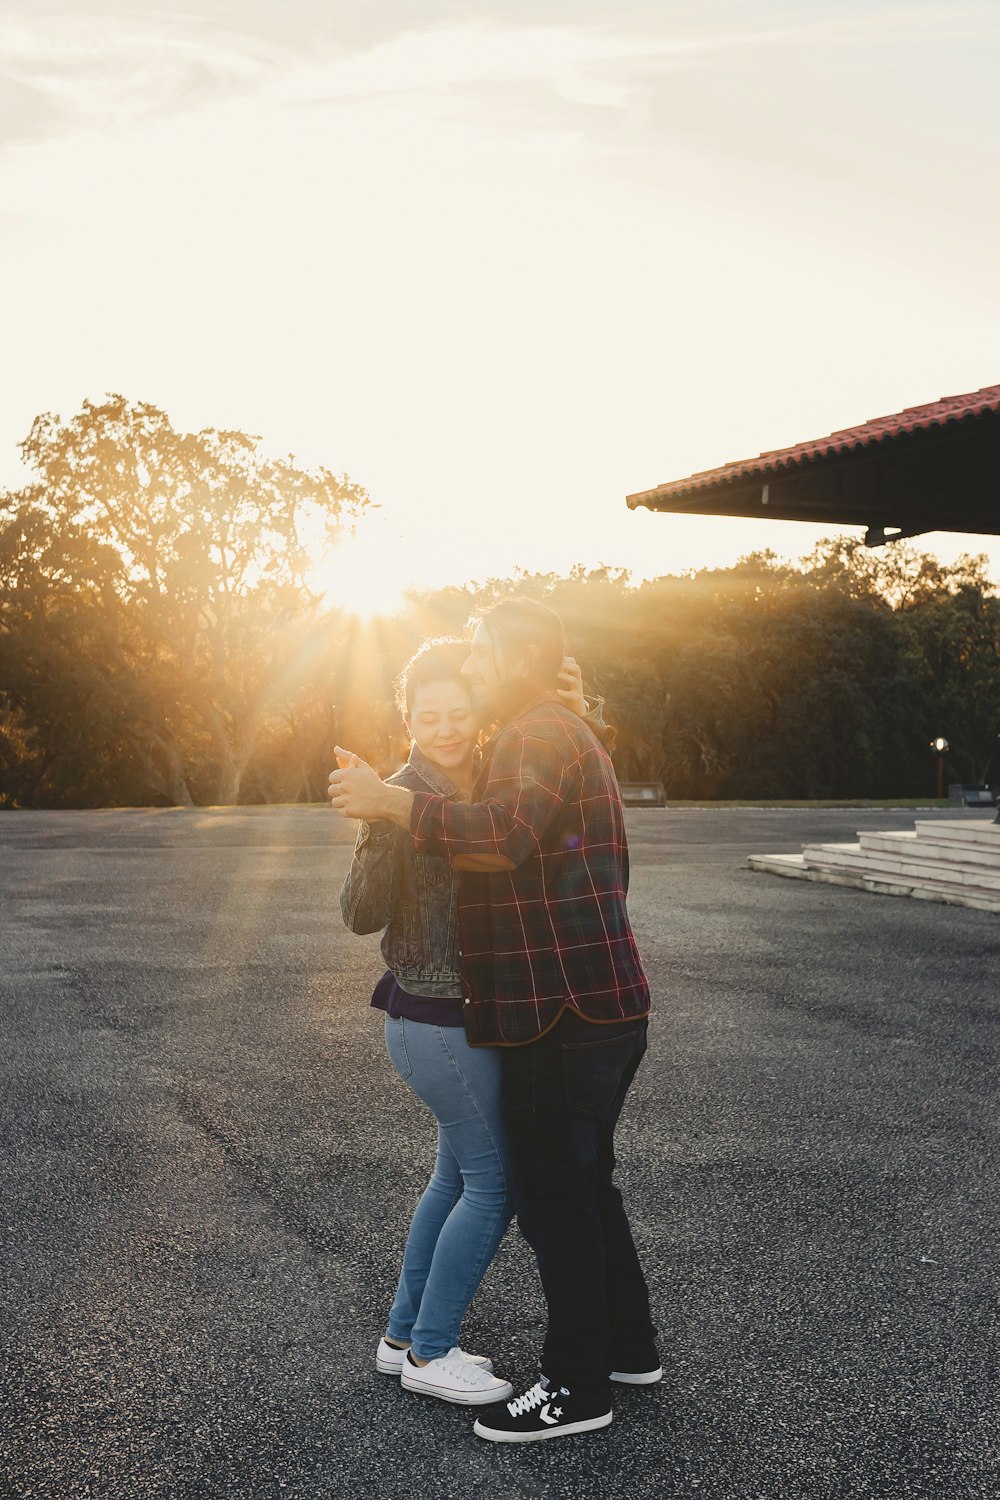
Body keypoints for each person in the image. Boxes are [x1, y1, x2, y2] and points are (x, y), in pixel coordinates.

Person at [329, 598, 658, 1444]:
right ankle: (611, 1349)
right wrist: (385, 810)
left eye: (480, 658)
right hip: (562, 1006)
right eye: (433, 703)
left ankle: (574, 1385)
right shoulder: (537, 732)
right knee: (567, 1188)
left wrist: (393, 806)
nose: (469, 672)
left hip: (568, 1009)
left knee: (552, 1198)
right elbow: (370, 907)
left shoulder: (532, 735)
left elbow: (506, 833)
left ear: (511, 662)